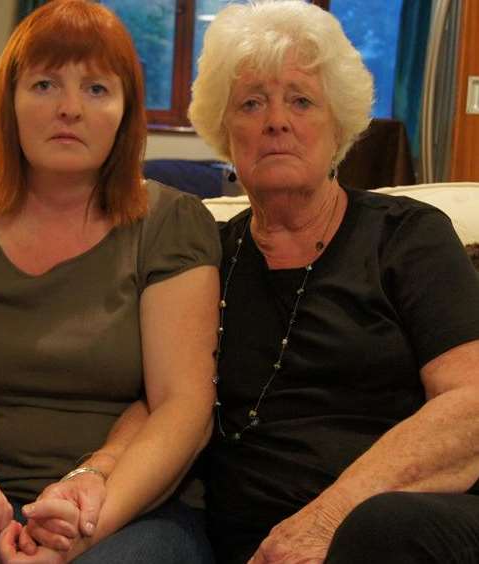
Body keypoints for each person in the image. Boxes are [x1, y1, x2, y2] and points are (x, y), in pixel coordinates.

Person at [0, 0, 221, 562]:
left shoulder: (171, 224)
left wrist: (86, 526)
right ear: (9, 103)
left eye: (95, 89)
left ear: (125, 111)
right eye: (44, 85)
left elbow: (182, 407)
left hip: (132, 504)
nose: (69, 109)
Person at [187, 1, 479, 563]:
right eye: (251, 102)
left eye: (301, 100)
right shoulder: (205, 256)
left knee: (382, 530)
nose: (277, 120)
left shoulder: (406, 237)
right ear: (225, 130)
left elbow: (471, 401)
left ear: (338, 123)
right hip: (251, 541)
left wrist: (329, 518)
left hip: (399, 522)